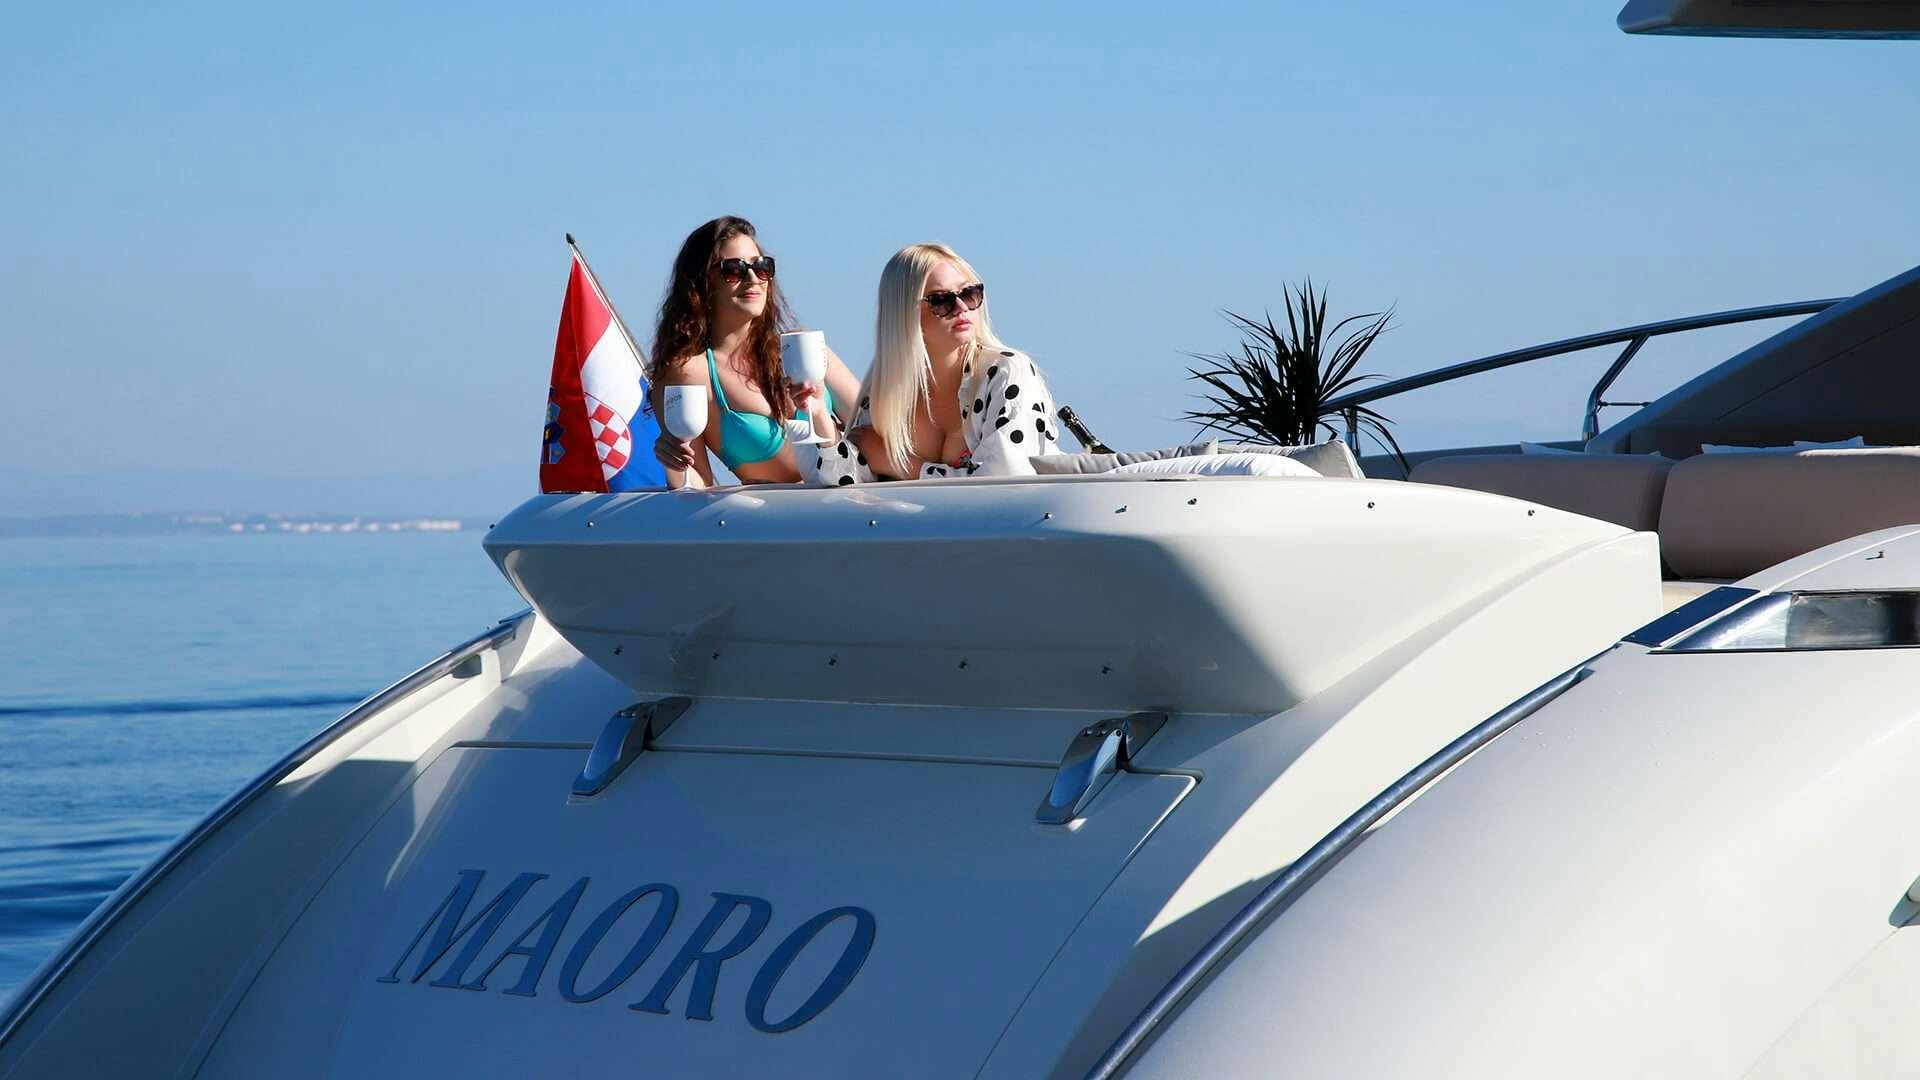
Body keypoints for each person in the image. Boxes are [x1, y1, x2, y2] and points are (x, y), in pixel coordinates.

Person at [807, 243, 1059, 485]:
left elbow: (1005, 482)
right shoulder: (888, 391)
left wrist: (904, 465)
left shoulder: (1007, 372)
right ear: (904, 313)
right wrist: (819, 414)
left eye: (969, 293)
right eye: (941, 300)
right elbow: (843, 478)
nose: (961, 307)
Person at [649, 216, 860, 488]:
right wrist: (674, 463)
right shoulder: (690, 372)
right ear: (702, 283)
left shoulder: (801, 347)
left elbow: (875, 427)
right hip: (778, 522)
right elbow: (695, 488)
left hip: (856, 506)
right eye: (734, 269)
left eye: (761, 267)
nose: (752, 278)